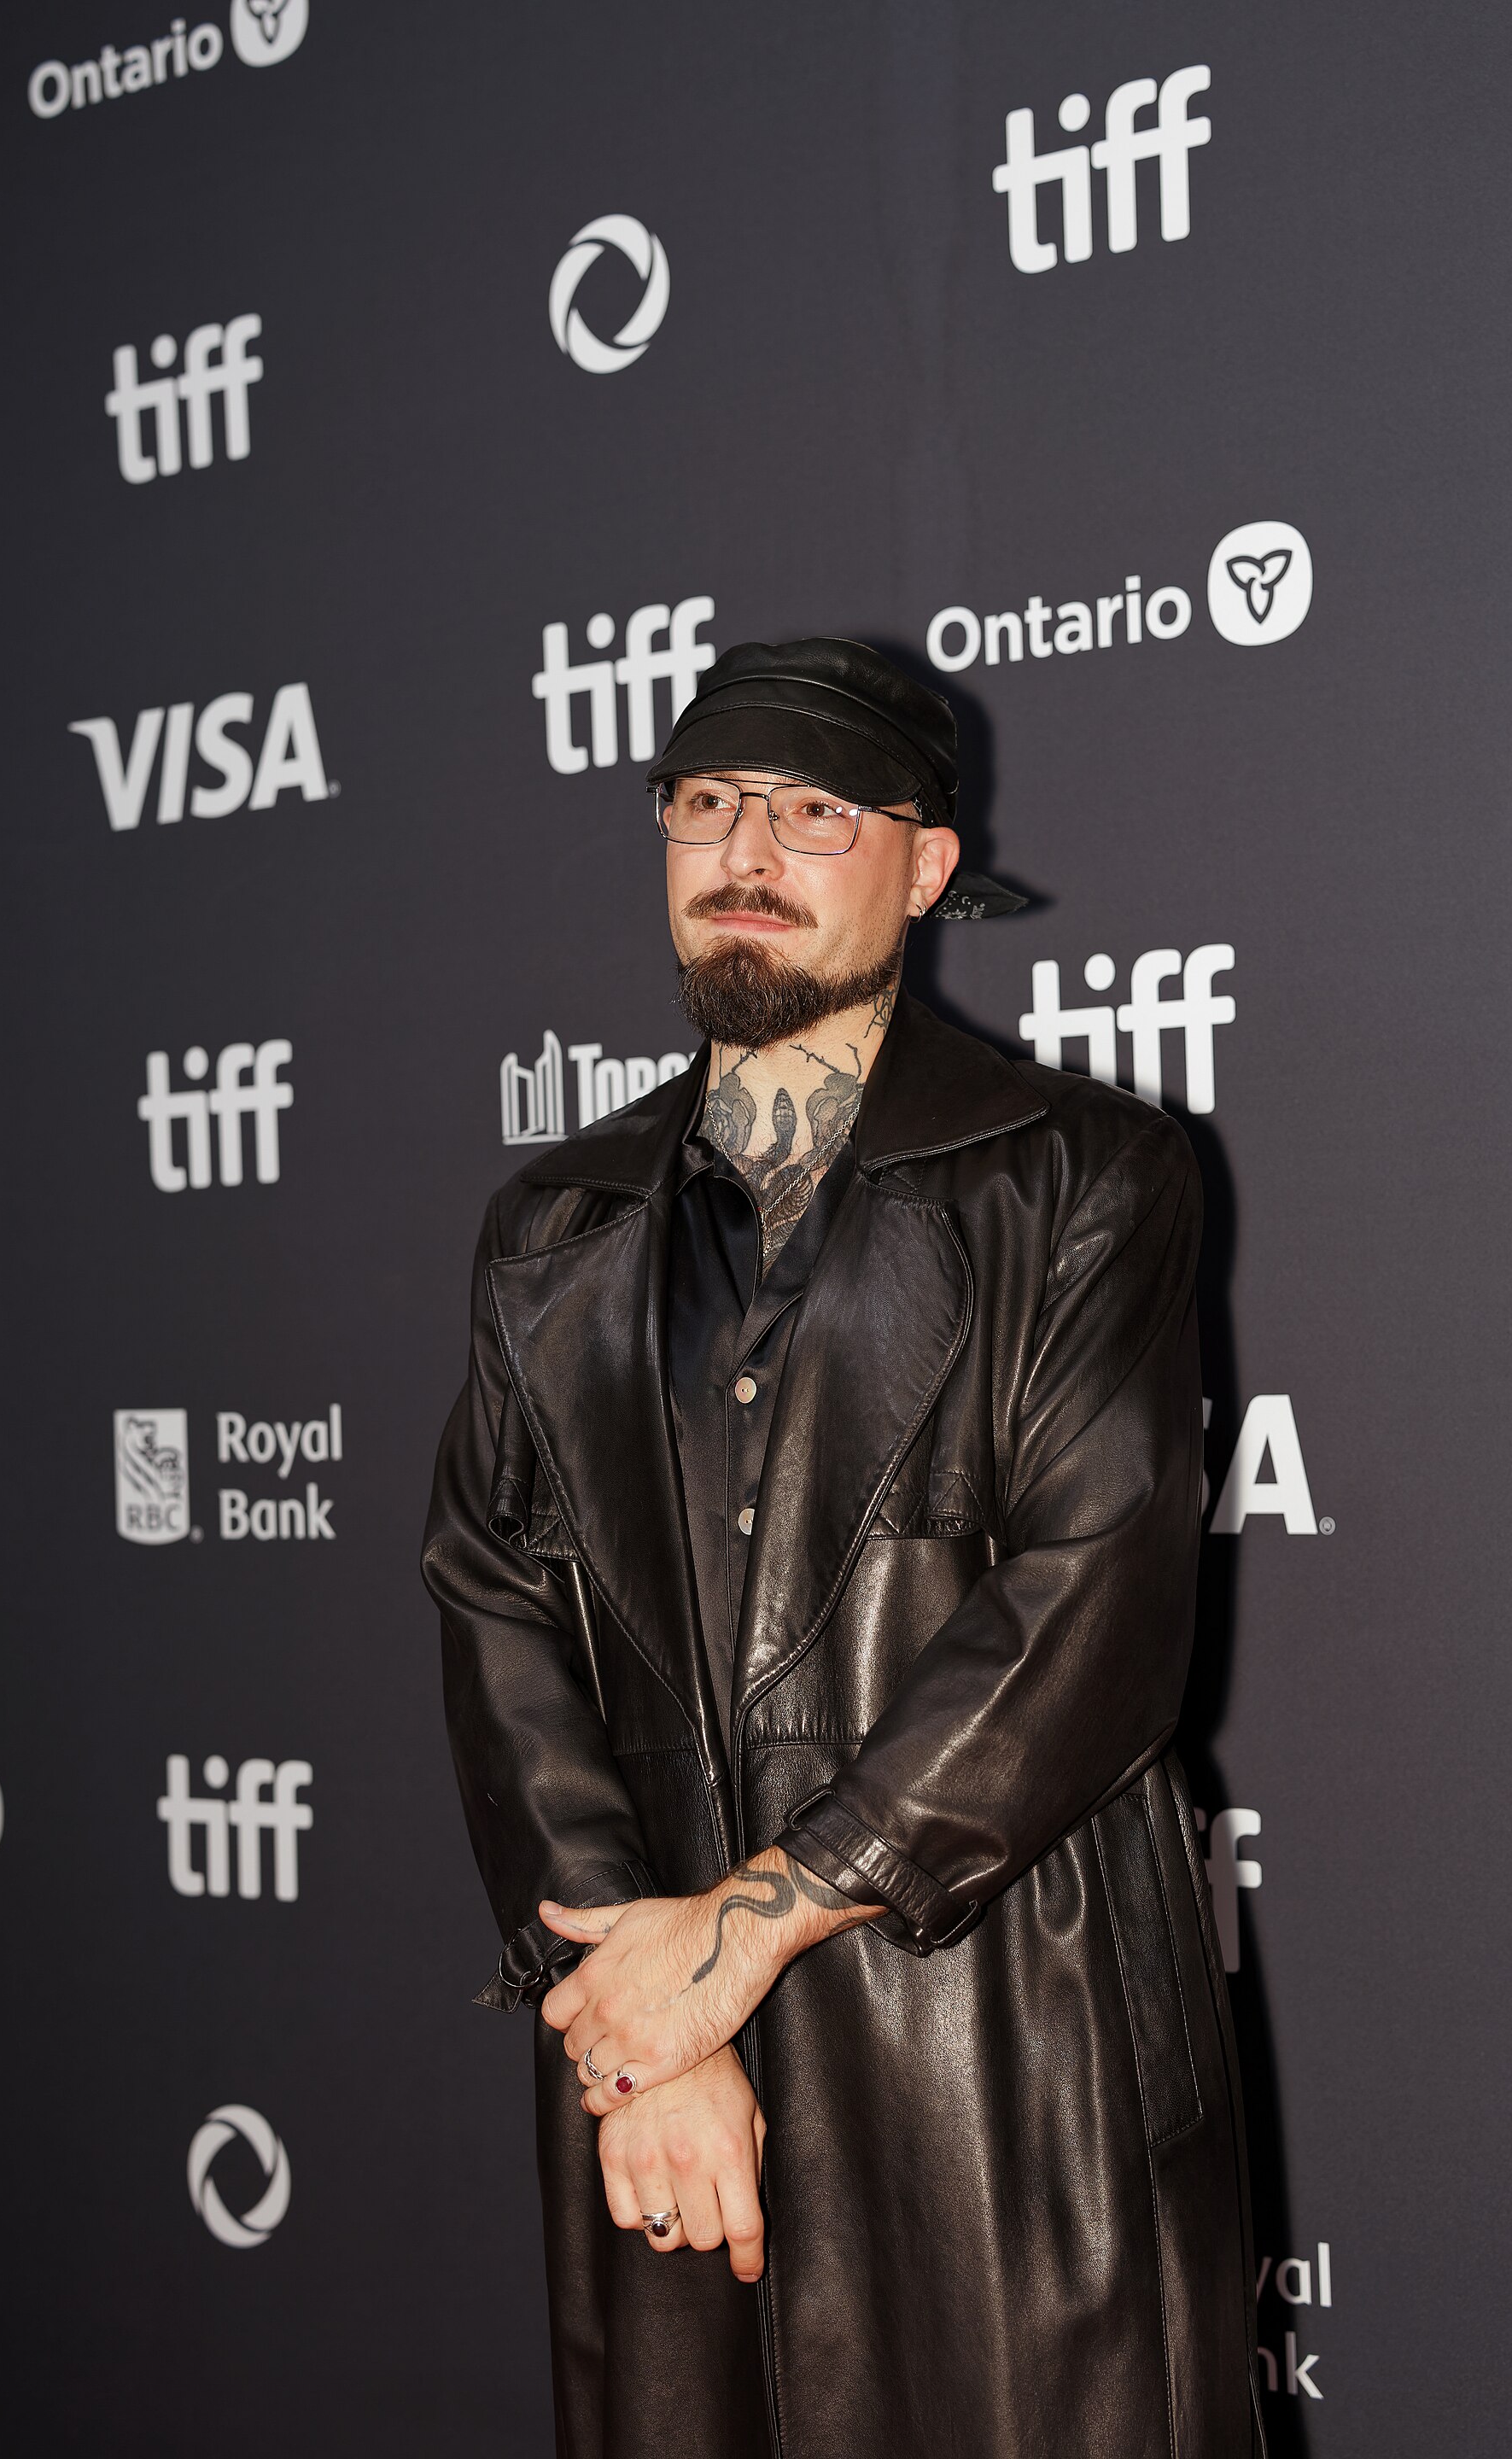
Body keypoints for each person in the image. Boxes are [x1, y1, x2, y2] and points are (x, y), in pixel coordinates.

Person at [423, 638, 1264, 2457]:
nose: (748, 849)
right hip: (661, 2073)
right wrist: (650, 2024)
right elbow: (497, 1604)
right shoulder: (548, 1227)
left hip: (998, 2047)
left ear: (929, 865)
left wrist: (750, 1930)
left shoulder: (1089, 1175)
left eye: (816, 812)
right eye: (708, 803)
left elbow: (1092, 1600)